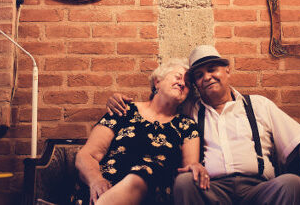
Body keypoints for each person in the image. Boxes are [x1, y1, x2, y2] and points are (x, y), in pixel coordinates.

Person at [107, 45, 300, 205]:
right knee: (184, 182)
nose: (207, 77)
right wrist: (118, 101)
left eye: (213, 69)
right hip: (210, 190)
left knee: (291, 183)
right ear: (195, 85)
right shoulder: (188, 109)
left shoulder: (258, 105)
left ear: (227, 70)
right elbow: (157, 109)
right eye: (199, 75)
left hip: (259, 189)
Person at [76, 59, 210, 205]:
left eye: (188, 84)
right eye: (177, 77)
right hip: (103, 190)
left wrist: (196, 166)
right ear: (157, 82)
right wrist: (96, 181)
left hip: (153, 194)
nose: (182, 83)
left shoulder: (187, 126)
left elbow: (188, 170)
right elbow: (87, 155)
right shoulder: (124, 110)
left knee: (144, 173)